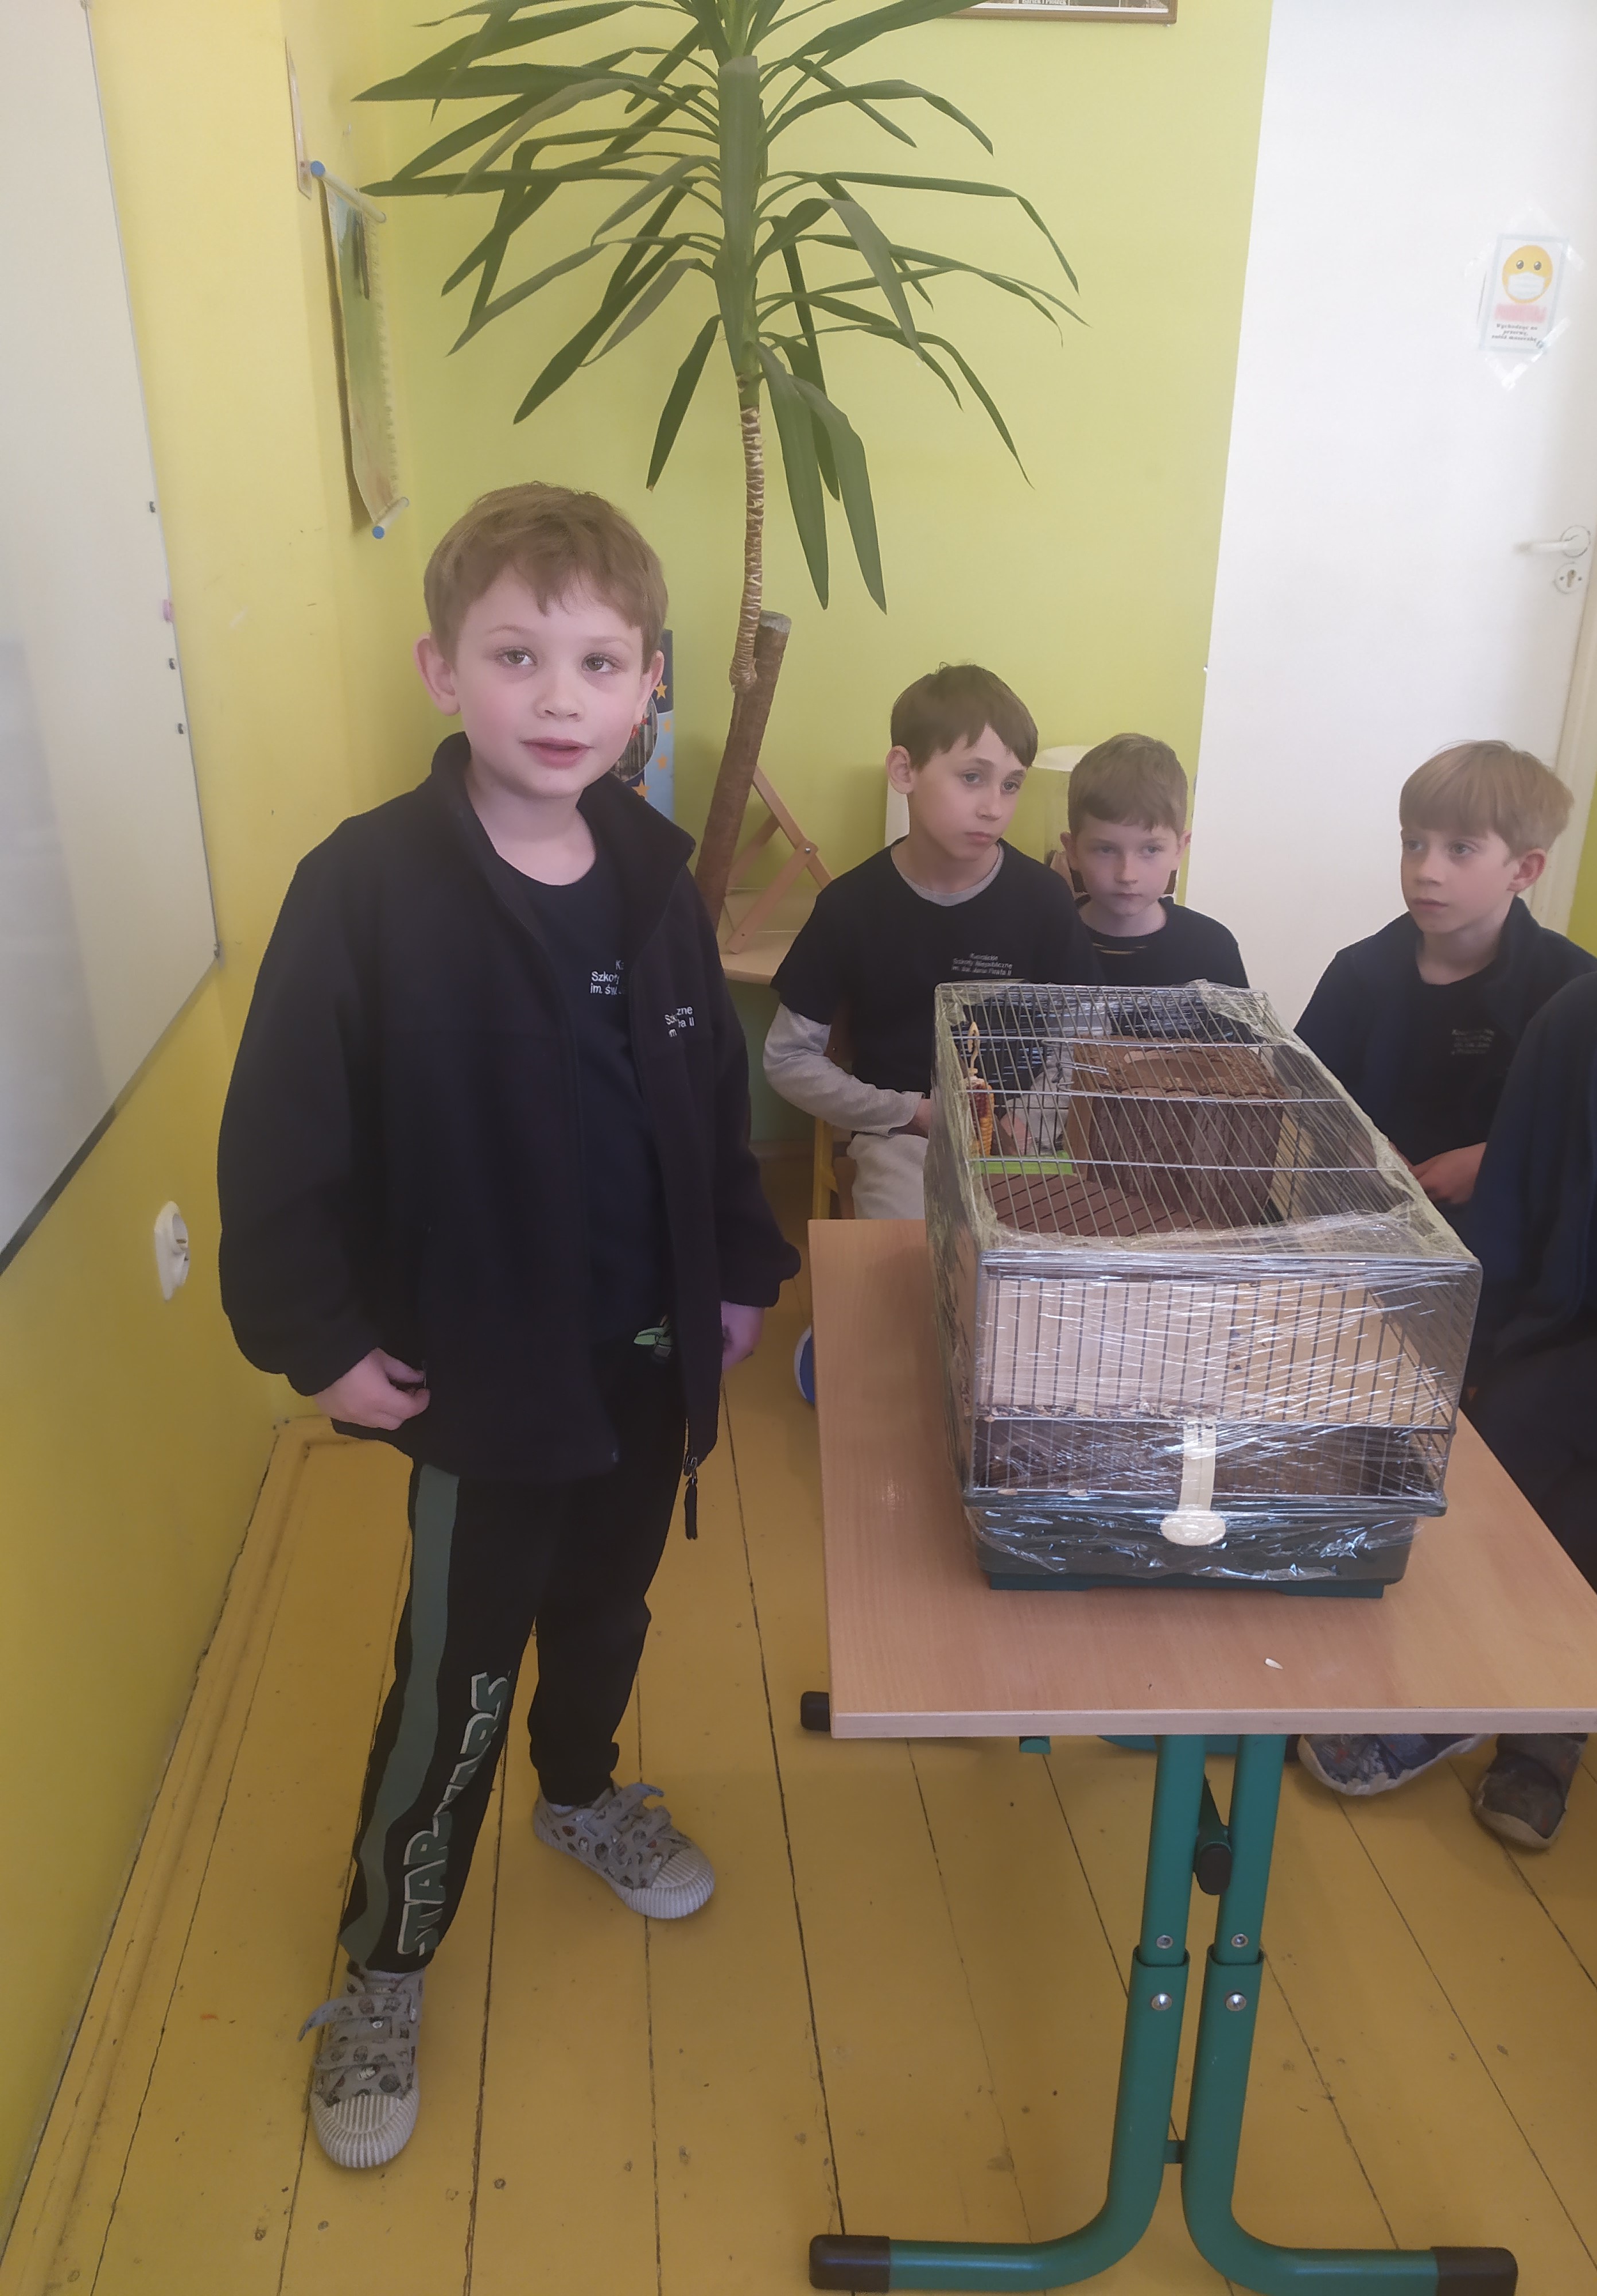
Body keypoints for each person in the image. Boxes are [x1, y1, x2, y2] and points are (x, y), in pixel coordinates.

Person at [216, 483, 798, 2170]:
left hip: (642, 1360)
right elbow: (282, 1141)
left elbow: (710, 1097)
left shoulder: (653, 878)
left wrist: (735, 1265)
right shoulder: (365, 889)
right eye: (516, 655)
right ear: (442, 670)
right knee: (454, 1677)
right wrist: (317, 1338)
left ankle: (582, 1792)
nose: (559, 696)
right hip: (482, 1377)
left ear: (648, 685)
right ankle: (387, 1957)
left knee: (604, 1613)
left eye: (598, 661)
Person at [1299, 732, 1597, 1854]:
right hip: (1575, 1329)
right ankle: (1538, 1745)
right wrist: (1467, 1351)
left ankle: (1448, 1697)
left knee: (1532, 1421)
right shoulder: (1579, 1025)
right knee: (1555, 1471)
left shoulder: (1556, 988)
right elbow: (1516, 1205)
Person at [763, 662, 1095, 1224]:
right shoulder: (850, 905)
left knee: (1054, 1262)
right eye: (972, 777)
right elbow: (788, 1058)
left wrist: (1032, 1120)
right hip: (905, 1141)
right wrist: (910, 1113)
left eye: (1011, 784)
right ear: (904, 770)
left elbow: (1086, 1034)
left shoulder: (1044, 899)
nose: (994, 806)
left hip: (1027, 1142)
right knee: (916, 1258)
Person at [1297, 740, 1597, 1215]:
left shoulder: (1575, 988)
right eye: (1414, 844)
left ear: (1524, 869)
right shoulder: (1357, 971)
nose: (1427, 871)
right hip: (1355, 1217)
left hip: (1499, 1234)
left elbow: (1588, 1124)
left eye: (1461, 849)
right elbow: (1305, 1088)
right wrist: (1354, 1144)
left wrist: (1492, 1160)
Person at [1059, 733, 1248, 988]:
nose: (1127, 875)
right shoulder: (1044, 940)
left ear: (1179, 849)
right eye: (1106, 850)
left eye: (1150, 849)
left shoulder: (1213, 947)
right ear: (1072, 851)